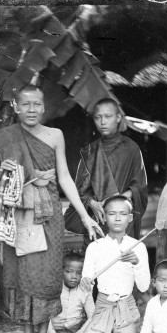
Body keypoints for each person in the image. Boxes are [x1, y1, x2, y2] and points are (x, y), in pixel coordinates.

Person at [0, 85, 102, 333]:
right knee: (21, 273)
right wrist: (2, 173)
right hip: (19, 212)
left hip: (48, 213)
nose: (31, 110)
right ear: (15, 106)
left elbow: (64, 177)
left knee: (45, 275)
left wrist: (86, 217)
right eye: (25, 104)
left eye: (36, 104)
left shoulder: (55, 135)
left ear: (44, 108)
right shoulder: (6, 138)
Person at [78, 195, 150, 333]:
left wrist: (136, 263)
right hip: (103, 305)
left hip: (126, 305)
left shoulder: (138, 246)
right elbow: (87, 279)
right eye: (111, 213)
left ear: (130, 218)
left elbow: (144, 286)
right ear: (104, 216)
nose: (117, 218)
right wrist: (86, 282)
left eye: (123, 214)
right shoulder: (95, 247)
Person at [67, 98, 148, 242]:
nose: (103, 122)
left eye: (108, 116)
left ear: (118, 117)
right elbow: (79, 190)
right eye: (98, 117)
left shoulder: (131, 148)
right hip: (98, 219)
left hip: (122, 218)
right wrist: (92, 203)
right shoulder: (90, 151)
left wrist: (119, 201)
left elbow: (139, 187)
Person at [45, 252, 94, 333]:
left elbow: (92, 316)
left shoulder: (85, 290)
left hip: (74, 332)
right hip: (54, 329)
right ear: (61, 271)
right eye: (69, 272)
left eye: (79, 273)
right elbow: (44, 313)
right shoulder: (54, 287)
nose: (74, 277)